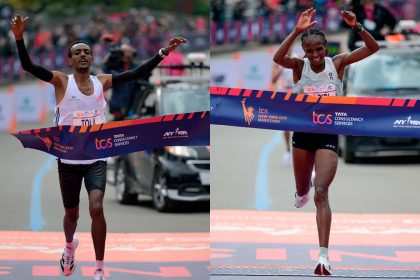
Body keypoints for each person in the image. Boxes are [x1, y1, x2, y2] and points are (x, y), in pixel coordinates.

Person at [10, 14, 186, 280]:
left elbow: (136, 73)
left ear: (92, 59)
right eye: (77, 53)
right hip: (68, 159)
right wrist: (20, 38)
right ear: (70, 60)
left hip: (96, 156)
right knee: (72, 214)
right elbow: (28, 66)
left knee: (96, 207)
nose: (82, 55)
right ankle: (69, 248)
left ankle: (100, 268)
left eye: (87, 52)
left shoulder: (101, 81)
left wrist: (162, 52)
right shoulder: (60, 81)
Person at [273, 7, 379, 275]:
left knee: (321, 192)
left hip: (328, 135)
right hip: (302, 135)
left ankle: (323, 257)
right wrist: (296, 31)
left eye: (320, 50)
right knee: (302, 193)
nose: (316, 56)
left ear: (327, 49)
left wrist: (357, 27)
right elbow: (278, 58)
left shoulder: (338, 63)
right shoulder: (299, 66)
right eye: (310, 51)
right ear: (305, 52)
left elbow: (373, 48)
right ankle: (301, 190)